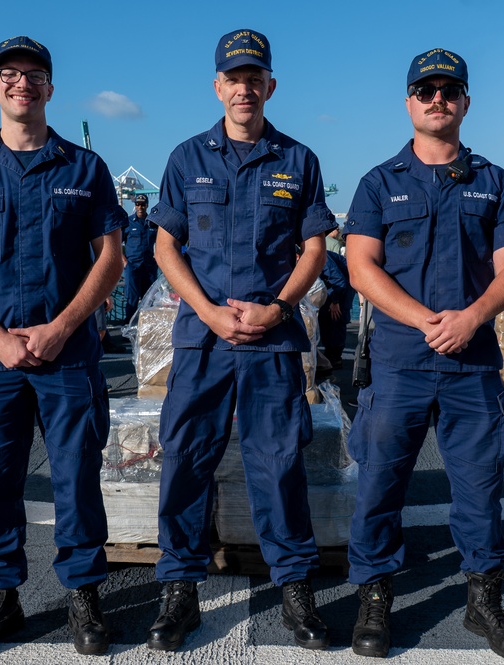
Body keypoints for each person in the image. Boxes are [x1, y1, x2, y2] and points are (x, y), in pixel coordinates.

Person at [0, 35, 127, 658]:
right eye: (8, 75)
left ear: (50, 88)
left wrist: (62, 327)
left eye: (34, 74)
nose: (21, 84)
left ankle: (84, 595)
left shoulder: (85, 169)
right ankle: (2, 595)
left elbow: (112, 258)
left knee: (76, 478)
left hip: (66, 354)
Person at [144, 28, 336, 652]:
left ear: (270, 86)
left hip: (272, 341)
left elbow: (314, 249)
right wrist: (206, 310)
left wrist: (279, 307)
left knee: (278, 465)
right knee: (185, 460)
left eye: (255, 78)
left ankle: (295, 587)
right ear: (218, 87)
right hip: (203, 339)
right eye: (234, 78)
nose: (245, 88)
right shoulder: (185, 159)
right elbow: (164, 246)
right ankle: (179, 588)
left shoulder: (298, 160)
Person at [342, 48, 504, 660]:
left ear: (465, 103)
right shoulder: (379, 183)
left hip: (471, 363)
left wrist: (474, 316)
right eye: (425, 90)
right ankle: (375, 599)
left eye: (449, 91)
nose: (437, 99)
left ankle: (485, 602)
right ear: (408, 102)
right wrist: (427, 320)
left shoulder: (494, 182)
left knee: (480, 488)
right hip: (399, 359)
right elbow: (360, 266)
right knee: (379, 484)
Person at [121, 193, 159, 324]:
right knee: (132, 298)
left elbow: (161, 243)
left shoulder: (153, 224)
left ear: (147, 205)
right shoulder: (128, 223)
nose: (140, 207)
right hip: (133, 266)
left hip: (149, 267)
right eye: (137, 204)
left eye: (143, 204)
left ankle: (146, 328)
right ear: (135, 205)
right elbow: (117, 244)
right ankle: (128, 327)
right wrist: (125, 262)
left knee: (149, 299)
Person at [317, 249, 354, 369]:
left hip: (341, 285)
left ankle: (335, 357)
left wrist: (335, 301)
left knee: (336, 318)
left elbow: (339, 279)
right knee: (325, 318)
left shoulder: (321, 257)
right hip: (332, 285)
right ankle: (329, 353)